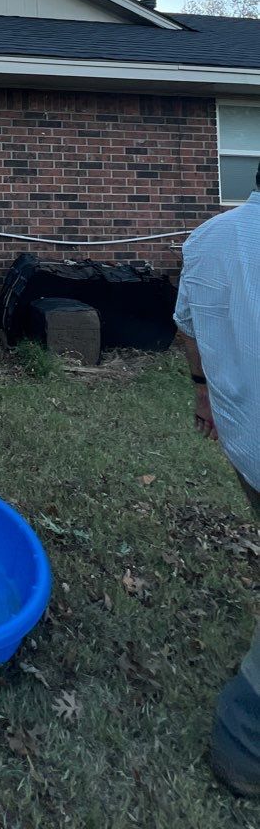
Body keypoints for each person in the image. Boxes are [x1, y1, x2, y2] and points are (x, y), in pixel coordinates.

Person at [174, 163, 260, 798]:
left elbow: (187, 327)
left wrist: (204, 396)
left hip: (247, 450)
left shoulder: (206, 240)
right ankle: (244, 735)